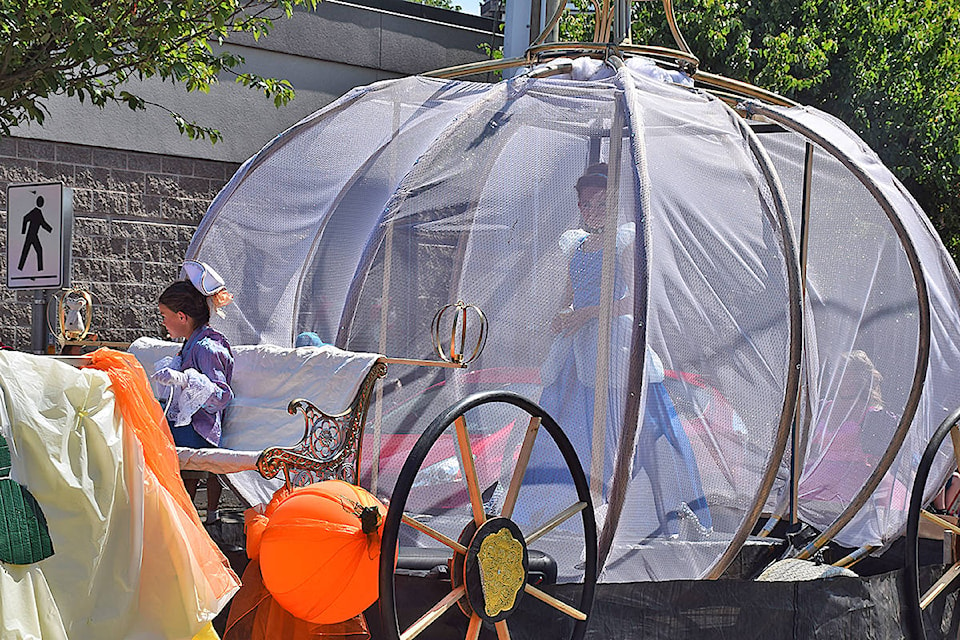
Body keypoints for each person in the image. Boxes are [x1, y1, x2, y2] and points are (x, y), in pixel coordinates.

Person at [532, 162, 711, 538]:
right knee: (568, 420)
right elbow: (569, 294)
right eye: (585, 205)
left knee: (630, 424)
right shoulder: (576, 245)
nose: (591, 211)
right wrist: (562, 317)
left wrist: (587, 314)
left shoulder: (624, 241)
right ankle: (564, 510)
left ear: (613, 205)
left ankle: (636, 512)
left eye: (599, 204)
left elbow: (634, 299)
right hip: (579, 344)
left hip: (615, 341)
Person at [154, 260, 235, 525]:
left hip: (200, 432)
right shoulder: (192, 342)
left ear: (182, 317)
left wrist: (185, 380)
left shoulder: (207, 347)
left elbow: (222, 396)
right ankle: (176, 521)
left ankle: (173, 522)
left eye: (165, 317)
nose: (163, 323)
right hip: (188, 428)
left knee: (147, 441)